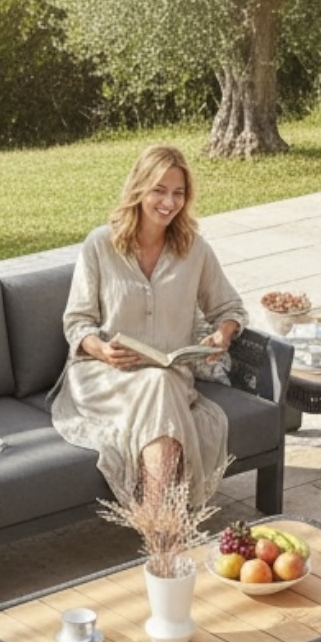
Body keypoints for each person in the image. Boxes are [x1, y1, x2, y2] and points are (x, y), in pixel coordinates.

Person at [51, 143, 245, 507]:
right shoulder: (100, 245)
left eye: (178, 193)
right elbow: (76, 322)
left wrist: (224, 333)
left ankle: (159, 528)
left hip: (166, 378)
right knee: (161, 389)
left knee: (160, 383)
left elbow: (229, 307)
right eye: (159, 190)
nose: (168, 203)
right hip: (103, 378)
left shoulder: (195, 250)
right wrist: (102, 350)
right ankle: (167, 529)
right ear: (139, 189)